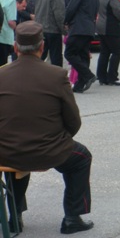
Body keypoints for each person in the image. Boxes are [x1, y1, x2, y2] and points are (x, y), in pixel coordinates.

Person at [0, 21, 93, 234]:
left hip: (6, 151)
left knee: (14, 161)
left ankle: (15, 216)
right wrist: (57, 139)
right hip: (48, 150)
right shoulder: (57, 75)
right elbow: (73, 121)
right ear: (42, 47)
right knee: (82, 158)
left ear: (15, 48)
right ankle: (72, 217)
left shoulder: (1, 75)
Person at [64, 0, 99, 93]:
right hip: (89, 28)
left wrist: (65, 21)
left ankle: (88, 75)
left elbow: (71, 8)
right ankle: (80, 84)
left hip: (79, 28)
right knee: (83, 55)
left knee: (69, 53)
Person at [35, 0, 69, 67]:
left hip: (40, 28)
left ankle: (35, 76)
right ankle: (57, 79)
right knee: (56, 57)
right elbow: (59, 15)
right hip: (53, 30)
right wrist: (64, 30)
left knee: (40, 55)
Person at [0, 0, 18, 66]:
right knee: (2, 64)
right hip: (4, 37)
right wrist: (17, 27)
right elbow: (11, 22)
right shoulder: (10, 0)